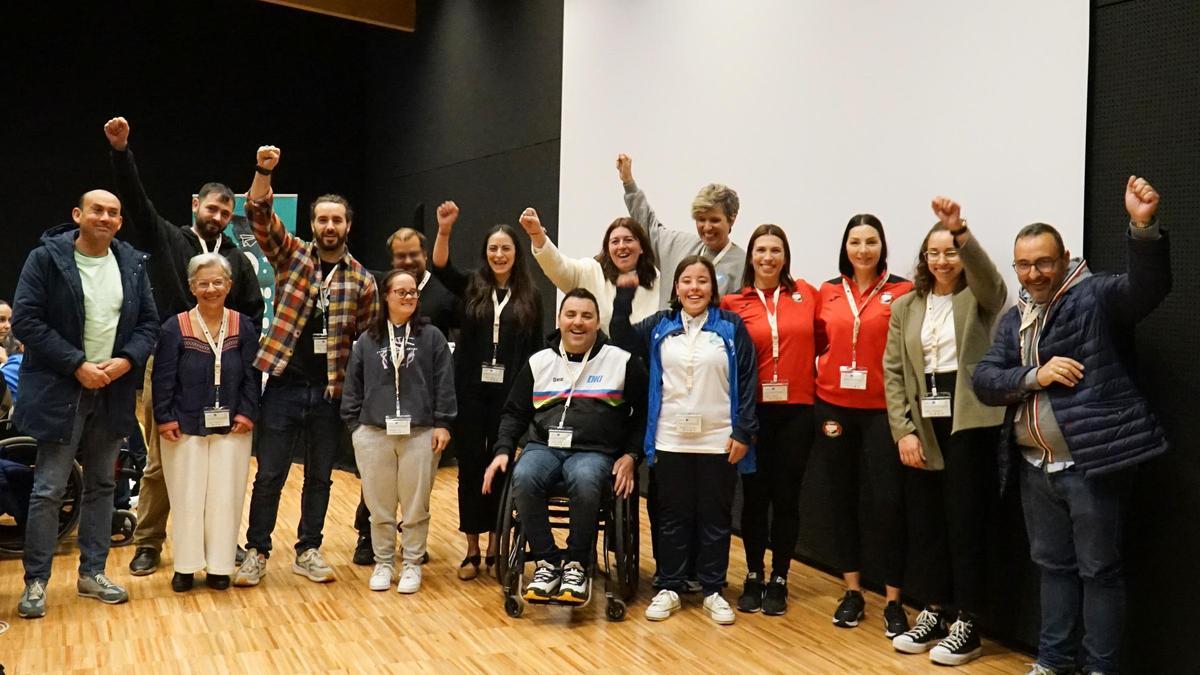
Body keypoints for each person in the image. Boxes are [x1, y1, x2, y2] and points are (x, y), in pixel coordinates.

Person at [973, 176, 1170, 675]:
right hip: (1035, 467)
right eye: (1024, 264)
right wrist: (1035, 375)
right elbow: (985, 380)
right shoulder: (1017, 314)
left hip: (1090, 466)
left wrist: (1142, 229)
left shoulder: (1094, 295)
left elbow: (1145, 288)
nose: (1034, 273)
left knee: (1099, 572)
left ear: (1063, 258)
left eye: (1043, 262)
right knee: (1053, 570)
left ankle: (1099, 668)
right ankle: (1053, 662)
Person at [103, 116, 264, 578]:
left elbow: (252, 312)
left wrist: (230, 349)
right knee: (163, 456)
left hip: (225, 371)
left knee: (222, 465)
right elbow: (134, 201)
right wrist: (121, 153)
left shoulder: (236, 258)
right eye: (212, 207)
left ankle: (219, 545)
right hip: (171, 365)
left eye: (224, 211)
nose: (217, 216)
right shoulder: (167, 236)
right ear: (197, 205)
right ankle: (150, 541)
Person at [233, 146, 378, 587]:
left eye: (337, 220)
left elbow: (366, 346)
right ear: (313, 225)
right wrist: (263, 170)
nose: (329, 226)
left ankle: (308, 549)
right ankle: (257, 550)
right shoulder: (292, 257)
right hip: (283, 384)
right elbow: (258, 211)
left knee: (320, 477)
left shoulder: (363, 280)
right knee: (271, 474)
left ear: (348, 226)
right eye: (322, 220)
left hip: (330, 393)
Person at [14, 190, 159, 619]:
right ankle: (36, 582)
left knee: (102, 487)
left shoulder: (132, 263)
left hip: (112, 391)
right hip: (62, 391)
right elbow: (26, 319)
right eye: (98, 210)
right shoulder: (45, 258)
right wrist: (77, 364)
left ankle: (91, 573)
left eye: (114, 212)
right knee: (48, 489)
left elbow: (149, 323)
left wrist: (126, 361)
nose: (107, 217)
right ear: (77, 214)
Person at [883, 198, 1006, 665]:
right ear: (922, 258)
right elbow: (893, 372)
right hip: (923, 424)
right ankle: (934, 610)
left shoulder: (976, 296)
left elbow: (995, 287)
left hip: (968, 421)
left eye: (950, 251)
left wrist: (962, 234)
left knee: (965, 524)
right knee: (928, 524)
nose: (942, 259)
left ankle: (968, 624)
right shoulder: (905, 306)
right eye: (934, 252)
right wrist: (903, 432)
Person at [611, 255, 758, 626]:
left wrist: (743, 431)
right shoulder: (660, 325)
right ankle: (670, 586)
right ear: (676, 288)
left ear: (713, 288)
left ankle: (712, 589)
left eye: (702, 281)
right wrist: (622, 298)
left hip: (718, 439)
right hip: (670, 438)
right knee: (672, 516)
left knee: (715, 516)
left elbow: (748, 379)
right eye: (687, 281)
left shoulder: (731, 326)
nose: (695, 288)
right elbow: (622, 338)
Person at [482, 288, 648, 604]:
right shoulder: (539, 361)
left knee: (586, 480)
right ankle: (547, 563)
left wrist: (631, 455)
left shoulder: (623, 362)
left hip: (595, 451)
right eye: (570, 315)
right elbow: (514, 413)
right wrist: (503, 450)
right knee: (525, 476)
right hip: (544, 447)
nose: (578, 323)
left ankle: (576, 563)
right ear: (559, 320)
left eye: (586, 316)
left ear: (598, 322)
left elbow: (643, 417)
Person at [813, 214, 914, 638]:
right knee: (842, 499)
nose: (863, 250)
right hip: (833, 408)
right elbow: (820, 343)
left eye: (871, 241)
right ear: (846, 247)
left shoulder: (903, 291)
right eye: (855, 242)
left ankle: (894, 600)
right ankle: (852, 591)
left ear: (882, 246)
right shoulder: (829, 292)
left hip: (882, 412)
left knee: (889, 504)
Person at [431, 201, 543, 580]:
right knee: (470, 469)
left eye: (506, 248)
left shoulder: (530, 296)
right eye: (493, 248)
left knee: (503, 467)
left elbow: (535, 353)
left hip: (509, 398)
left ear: (516, 254)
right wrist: (444, 230)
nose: (499, 255)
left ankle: (497, 543)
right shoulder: (472, 286)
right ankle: (472, 548)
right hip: (470, 393)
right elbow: (441, 268)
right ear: (486, 253)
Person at [720, 224, 818, 616]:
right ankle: (754, 574)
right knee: (756, 496)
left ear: (785, 256)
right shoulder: (732, 303)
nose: (768, 257)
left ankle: (780, 577)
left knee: (787, 497)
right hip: (753, 411)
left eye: (776, 250)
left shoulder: (806, 294)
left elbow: (825, 340)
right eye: (761, 250)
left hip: (797, 411)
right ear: (751, 257)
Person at [342, 270, 456, 593]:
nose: (408, 298)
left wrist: (444, 423)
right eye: (401, 292)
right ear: (386, 296)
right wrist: (356, 428)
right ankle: (383, 562)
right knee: (379, 504)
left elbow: (444, 384)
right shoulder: (367, 339)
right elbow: (352, 385)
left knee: (416, 503)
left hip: (420, 433)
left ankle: (412, 563)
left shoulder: (431, 337)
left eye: (413, 293)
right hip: (374, 433)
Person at [151, 254, 260, 592]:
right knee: (187, 497)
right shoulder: (174, 326)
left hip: (234, 427)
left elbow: (253, 376)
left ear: (229, 285)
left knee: (225, 498)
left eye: (217, 282)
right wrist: (164, 417)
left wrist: (247, 412)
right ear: (191, 287)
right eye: (203, 283)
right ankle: (185, 567)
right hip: (183, 427)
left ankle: (220, 567)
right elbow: (162, 377)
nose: (211, 288)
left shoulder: (244, 326)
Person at [617, 154, 745, 301]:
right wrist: (629, 184)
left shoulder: (742, 265)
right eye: (701, 220)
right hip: (669, 323)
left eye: (715, 220)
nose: (707, 227)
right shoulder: (678, 247)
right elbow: (648, 227)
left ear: (732, 219)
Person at [517, 207, 661, 331]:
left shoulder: (659, 280)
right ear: (607, 248)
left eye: (628, 240)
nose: (621, 246)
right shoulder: (592, 272)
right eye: (615, 242)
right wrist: (537, 235)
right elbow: (558, 266)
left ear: (642, 247)